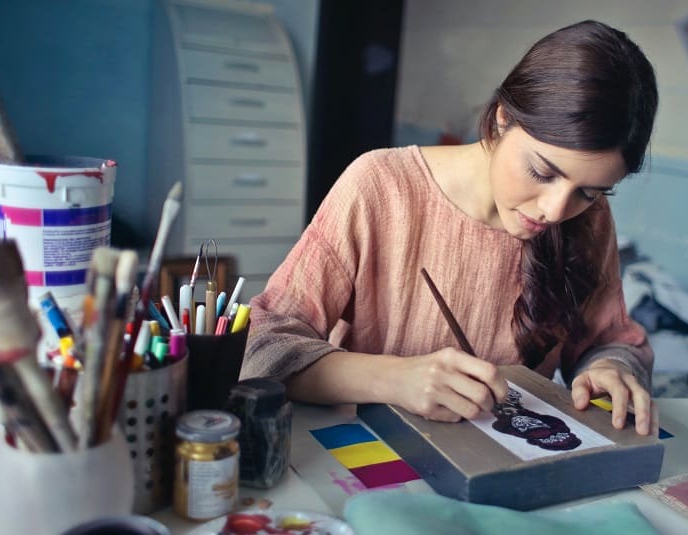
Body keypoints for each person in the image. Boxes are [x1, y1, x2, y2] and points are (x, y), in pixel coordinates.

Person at [241, 20, 659, 435]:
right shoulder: (380, 186)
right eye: (541, 170)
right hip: (364, 456)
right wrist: (394, 379)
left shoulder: (588, 217)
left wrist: (611, 366)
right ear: (500, 120)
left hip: (506, 469)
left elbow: (611, 340)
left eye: (589, 192)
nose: (555, 209)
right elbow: (262, 346)